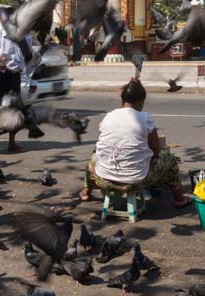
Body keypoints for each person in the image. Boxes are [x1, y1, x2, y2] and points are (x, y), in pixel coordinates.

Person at [80, 78, 190, 207]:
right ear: (142, 101)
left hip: (103, 179)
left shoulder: (109, 116)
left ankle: (85, 192)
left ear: (122, 100)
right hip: (135, 181)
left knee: (94, 157)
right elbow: (155, 150)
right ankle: (179, 199)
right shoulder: (145, 118)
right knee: (169, 159)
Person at [0, 22, 31, 155]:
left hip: (15, 77)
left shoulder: (25, 38)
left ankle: (12, 142)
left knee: (15, 110)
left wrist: (28, 74)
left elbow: (28, 59)